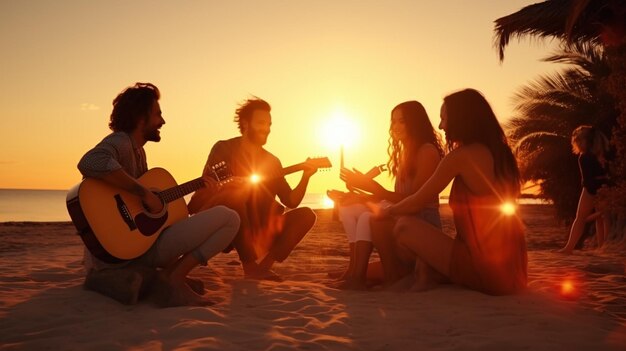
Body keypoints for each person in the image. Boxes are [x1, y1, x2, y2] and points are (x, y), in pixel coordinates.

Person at [77, 82, 240, 307]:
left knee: (184, 221)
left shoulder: (139, 153)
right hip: (116, 252)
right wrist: (142, 192)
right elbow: (90, 161)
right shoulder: (121, 142)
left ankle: (155, 279)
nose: (162, 121)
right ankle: (173, 279)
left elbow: (150, 208)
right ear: (140, 117)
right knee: (230, 218)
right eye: (158, 114)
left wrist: (202, 188)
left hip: (124, 251)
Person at [378, 88, 527, 295]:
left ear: (461, 119)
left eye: (444, 118)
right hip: (514, 268)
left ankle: (419, 273)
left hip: (485, 267)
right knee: (399, 258)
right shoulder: (502, 154)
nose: (440, 126)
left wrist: (386, 211)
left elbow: (416, 202)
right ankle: (421, 271)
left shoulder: (461, 156)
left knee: (403, 226)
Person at [188, 97, 318, 281]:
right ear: (245, 123)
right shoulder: (224, 148)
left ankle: (263, 267)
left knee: (306, 215)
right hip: (223, 216)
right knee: (236, 195)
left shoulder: (272, 161)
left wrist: (306, 176)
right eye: (261, 122)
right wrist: (230, 185)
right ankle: (249, 265)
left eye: (269, 123)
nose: (267, 128)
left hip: (255, 226)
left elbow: (291, 201)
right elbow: (207, 188)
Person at [329, 101, 444, 290]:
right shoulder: (405, 155)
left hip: (422, 226)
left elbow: (415, 202)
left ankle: (372, 277)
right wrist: (361, 196)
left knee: (369, 217)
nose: (396, 127)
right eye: (393, 122)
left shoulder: (426, 151)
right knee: (349, 208)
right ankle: (353, 272)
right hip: (404, 217)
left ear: (415, 123)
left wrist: (372, 187)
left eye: (402, 121)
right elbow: (396, 198)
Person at [558, 125, 611, 254]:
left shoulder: (584, 157)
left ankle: (569, 248)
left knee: (580, 218)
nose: (577, 143)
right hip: (606, 186)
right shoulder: (603, 153)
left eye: (578, 140)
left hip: (591, 188)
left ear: (586, 141)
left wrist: (592, 192)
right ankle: (602, 247)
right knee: (603, 218)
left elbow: (588, 180)